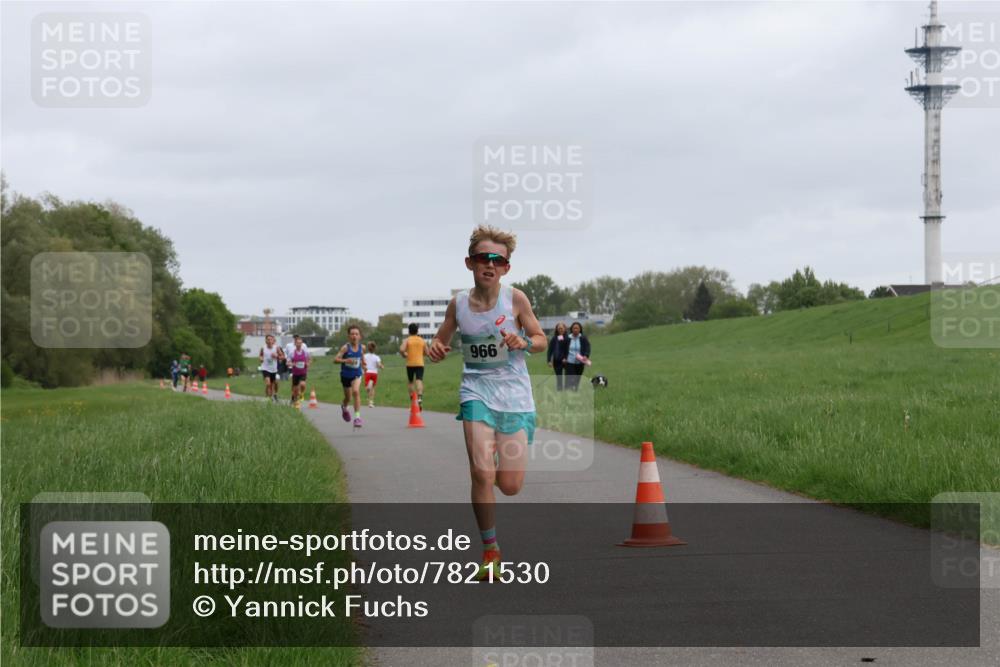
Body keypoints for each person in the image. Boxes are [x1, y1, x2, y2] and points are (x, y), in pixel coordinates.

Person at [428, 224, 546, 581]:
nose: (489, 264)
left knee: (509, 485)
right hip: (476, 392)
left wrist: (524, 342)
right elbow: (441, 341)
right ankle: (490, 550)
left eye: (498, 259)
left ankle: (497, 470)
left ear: (506, 267)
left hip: (514, 397)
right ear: (470, 263)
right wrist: (436, 349)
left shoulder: (516, 299)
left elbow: (540, 338)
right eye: (483, 258)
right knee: (480, 471)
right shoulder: (459, 304)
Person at [334, 325, 366, 427]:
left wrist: (364, 364)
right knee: (348, 398)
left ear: (360, 336)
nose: (354, 336)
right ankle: (344, 407)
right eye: (352, 334)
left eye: (356, 334)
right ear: (349, 336)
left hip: (357, 374)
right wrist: (345, 360)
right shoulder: (345, 348)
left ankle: (357, 418)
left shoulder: (362, 347)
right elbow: (335, 360)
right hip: (345, 375)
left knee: (356, 391)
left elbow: (361, 357)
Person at [400, 323, 428, 409]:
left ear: (409, 331)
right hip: (420, 364)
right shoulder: (422, 340)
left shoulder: (407, 340)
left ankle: (413, 401)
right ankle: (419, 398)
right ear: (417, 331)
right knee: (419, 380)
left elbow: (401, 349)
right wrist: (421, 353)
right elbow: (427, 352)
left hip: (410, 364)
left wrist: (404, 354)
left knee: (411, 382)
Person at [562, 322, 591, 391]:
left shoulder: (583, 338)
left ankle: (575, 389)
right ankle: (569, 390)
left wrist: (586, 355)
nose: (575, 329)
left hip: (580, 361)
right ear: (571, 329)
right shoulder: (567, 338)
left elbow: (588, 347)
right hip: (569, 361)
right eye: (574, 328)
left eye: (577, 328)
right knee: (571, 376)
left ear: (580, 329)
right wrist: (564, 358)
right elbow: (563, 349)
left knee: (578, 376)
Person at [259, 334, 285, 403]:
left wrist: (277, 356)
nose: (269, 341)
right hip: (265, 368)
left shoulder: (276, 348)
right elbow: (261, 355)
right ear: (266, 341)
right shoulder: (263, 348)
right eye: (268, 339)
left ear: (273, 340)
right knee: (268, 383)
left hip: (274, 369)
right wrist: (261, 359)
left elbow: (283, 357)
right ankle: (267, 397)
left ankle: (274, 395)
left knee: (275, 383)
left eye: (271, 339)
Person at [287, 334, 311, 408]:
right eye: (298, 343)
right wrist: (291, 364)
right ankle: (295, 401)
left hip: (303, 372)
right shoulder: (292, 353)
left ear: (302, 344)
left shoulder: (305, 352)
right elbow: (288, 362)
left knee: (303, 384)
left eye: (300, 343)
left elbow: (309, 359)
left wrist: (308, 363)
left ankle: (302, 394)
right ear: (295, 344)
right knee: (295, 390)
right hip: (295, 373)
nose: (299, 344)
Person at [546, 322, 568, 391]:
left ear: (565, 329)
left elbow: (568, 349)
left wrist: (566, 358)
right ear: (556, 329)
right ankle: (560, 390)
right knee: (559, 377)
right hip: (557, 361)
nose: (560, 330)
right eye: (559, 328)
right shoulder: (554, 339)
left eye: (561, 328)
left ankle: (569, 388)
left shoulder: (568, 338)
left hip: (566, 360)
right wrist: (549, 360)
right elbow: (550, 350)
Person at [363, 341, 384, 408]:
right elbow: (378, 364)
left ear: (368, 348)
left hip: (367, 372)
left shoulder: (365, 356)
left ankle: (368, 388)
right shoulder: (376, 357)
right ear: (375, 349)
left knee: (367, 388)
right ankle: (371, 402)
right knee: (373, 388)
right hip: (374, 373)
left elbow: (362, 363)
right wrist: (381, 366)